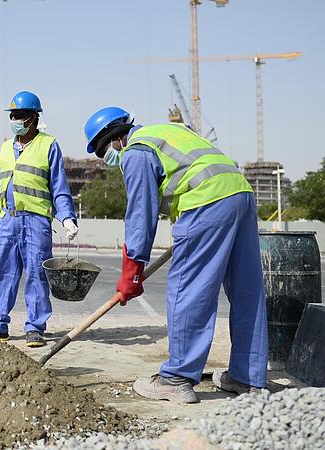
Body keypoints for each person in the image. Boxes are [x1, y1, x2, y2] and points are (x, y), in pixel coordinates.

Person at [83, 107, 268, 403]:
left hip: (205, 201)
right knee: (248, 292)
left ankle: (176, 378)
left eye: (103, 152)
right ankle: (248, 378)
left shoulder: (136, 151)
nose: (107, 160)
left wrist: (131, 271)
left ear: (113, 139)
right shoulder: (169, 132)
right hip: (240, 195)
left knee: (188, 290)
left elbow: (140, 215)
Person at [0, 91, 78, 348]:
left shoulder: (48, 145)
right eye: (12, 115)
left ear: (33, 118)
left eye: (19, 115)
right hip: (9, 221)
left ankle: (35, 327)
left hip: (37, 221)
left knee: (37, 274)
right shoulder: (6, 149)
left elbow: (59, 187)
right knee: (3, 273)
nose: (15, 120)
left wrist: (67, 218)